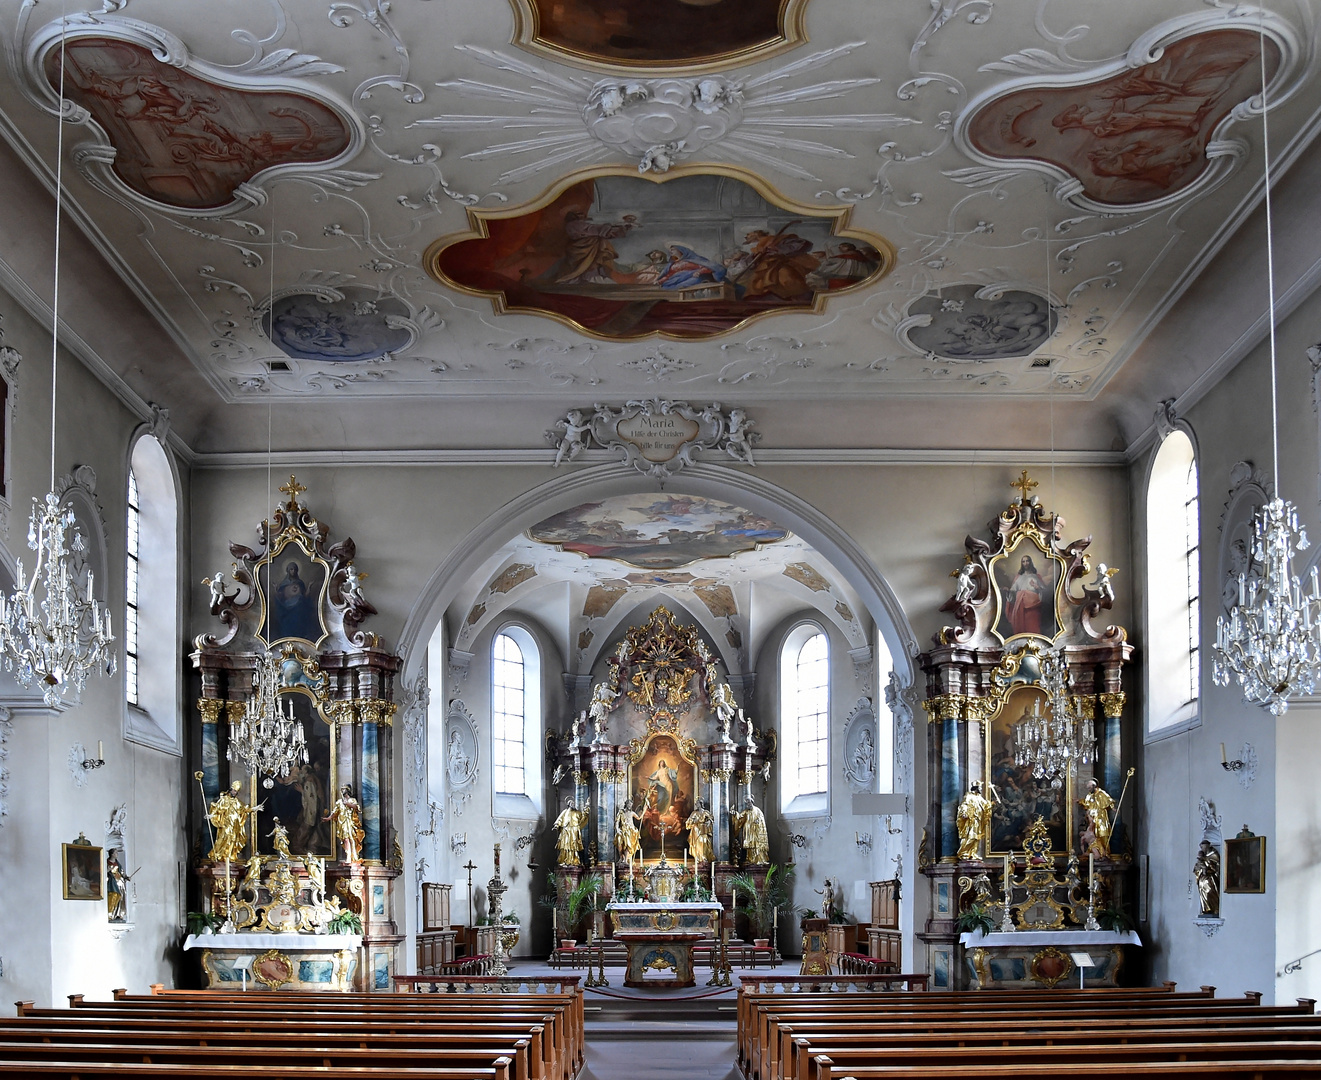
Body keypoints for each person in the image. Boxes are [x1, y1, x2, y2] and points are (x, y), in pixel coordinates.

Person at [207, 781, 264, 863]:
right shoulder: (224, 799)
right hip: (226, 824)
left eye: (236, 791)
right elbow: (217, 809)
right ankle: (217, 854)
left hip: (235, 825)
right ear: (230, 790)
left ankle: (229, 856)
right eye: (234, 790)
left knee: (233, 840)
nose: (235, 792)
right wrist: (211, 815)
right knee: (223, 838)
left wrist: (256, 808)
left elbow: (244, 809)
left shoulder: (237, 801)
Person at [1005, 553, 1051, 637]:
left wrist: (1037, 587)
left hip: (1033, 607)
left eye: (1027, 561)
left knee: (1033, 627)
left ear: (1030, 562)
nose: (1026, 563)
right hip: (1021, 606)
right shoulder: (1018, 577)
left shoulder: (1036, 576)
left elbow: (1045, 592)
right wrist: (1009, 591)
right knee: (1022, 627)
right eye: (1023, 561)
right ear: (1022, 564)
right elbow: (1013, 592)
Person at [325, 785, 365, 863]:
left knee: (352, 838)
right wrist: (328, 818)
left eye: (344, 789)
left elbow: (357, 807)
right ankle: (348, 856)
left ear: (347, 790)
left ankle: (354, 855)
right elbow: (335, 812)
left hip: (350, 822)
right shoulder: (339, 802)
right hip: (342, 823)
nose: (342, 791)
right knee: (345, 839)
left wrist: (347, 804)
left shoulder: (352, 800)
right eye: (342, 789)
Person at [956, 781, 994, 860]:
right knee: (971, 836)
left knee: (977, 837)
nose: (980, 789)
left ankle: (972, 853)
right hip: (972, 820)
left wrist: (991, 804)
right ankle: (963, 852)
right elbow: (964, 805)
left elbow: (985, 805)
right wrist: (964, 813)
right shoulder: (969, 796)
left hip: (978, 820)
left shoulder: (979, 797)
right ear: (976, 788)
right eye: (979, 787)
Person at [1079, 779, 1116, 858]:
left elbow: (1109, 801)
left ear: (1094, 786)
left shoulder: (1101, 793)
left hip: (1101, 818)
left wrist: (1113, 808)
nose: (1088, 790)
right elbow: (1087, 804)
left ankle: (1106, 854)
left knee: (1103, 834)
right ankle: (1098, 854)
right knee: (1094, 836)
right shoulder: (1089, 796)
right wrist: (1080, 801)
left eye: (1089, 788)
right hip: (1092, 818)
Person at [732, 798, 769, 864]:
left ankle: (759, 859)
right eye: (747, 803)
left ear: (752, 802)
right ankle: (749, 859)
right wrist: (735, 814)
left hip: (756, 831)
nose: (748, 804)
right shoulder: (746, 811)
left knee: (757, 845)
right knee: (749, 846)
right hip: (748, 831)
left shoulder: (757, 810)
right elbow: (739, 818)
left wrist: (758, 821)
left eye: (749, 802)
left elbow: (761, 819)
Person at [552, 799, 589, 866]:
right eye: (571, 803)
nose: (573, 804)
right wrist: (556, 826)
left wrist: (586, 812)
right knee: (565, 845)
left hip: (574, 831)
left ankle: (574, 861)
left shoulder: (578, 812)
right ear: (568, 804)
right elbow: (560, 819)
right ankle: (564, 860)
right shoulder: (565, 812)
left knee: (573, 846)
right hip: (566, 830)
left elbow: (582, 819)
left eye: (573, 803)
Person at [1194, 840, 1221, 918]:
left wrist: (1207, 866)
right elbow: (1196, 869)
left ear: (1208, 846)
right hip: (1202, 879)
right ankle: (1206, 909)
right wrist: (1199, 868)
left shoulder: (1214, 855)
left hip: (1211, 878)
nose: (1203, 849)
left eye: (1205, 847)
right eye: (1202, 847)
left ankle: (1215, 908)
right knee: (1203, 892)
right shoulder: (1202, 857)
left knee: (1209, 892)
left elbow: (1217, 868)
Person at [106, 850, 128, 922]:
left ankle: (118, 914)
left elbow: (122, 872)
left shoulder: (118, 863)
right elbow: (104, 872)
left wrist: (126, 877)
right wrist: (107, 870)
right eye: (115, 853)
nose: (117, 854)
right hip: (112, 882)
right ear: (112, 854)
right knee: (113, 896)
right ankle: (110, 913)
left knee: (121, 898)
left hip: (120, 882)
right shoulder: (107, 862)